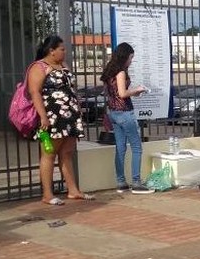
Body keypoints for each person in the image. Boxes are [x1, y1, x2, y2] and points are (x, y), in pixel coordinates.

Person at [28, 35, 93, 205]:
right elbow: (34, 93)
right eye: (62, 49)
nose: (65, 52)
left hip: (69, 116)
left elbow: (72, 89)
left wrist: (77, 109)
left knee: (66, 153)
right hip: (52, 117)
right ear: (52, 50)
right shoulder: (39, 67)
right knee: (49, 154)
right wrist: (43, 116)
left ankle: (73, 191)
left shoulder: (63, 66)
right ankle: (47, 194)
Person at [101, 42, 152, 194]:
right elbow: (122, 94)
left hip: (114, 113)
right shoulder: (121, 72)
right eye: (130, 58)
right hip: (124, 113)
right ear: (125, 57)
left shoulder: (109, 72)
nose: (131, 61)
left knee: (120, 148)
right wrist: (137, 89)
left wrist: (133, 93)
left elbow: (115, 93)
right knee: (137, 147)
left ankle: (121, 181)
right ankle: (136, 182)